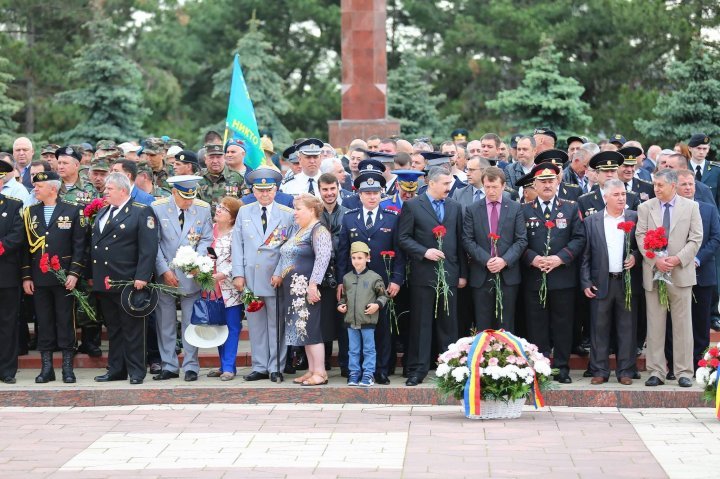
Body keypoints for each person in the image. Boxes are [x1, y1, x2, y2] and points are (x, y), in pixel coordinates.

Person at [336, 161, 406, 385]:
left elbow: (399, 252)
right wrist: (341, 281)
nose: (372, 197)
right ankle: (352, 369)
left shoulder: (392, 218)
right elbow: (343, 252)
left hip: (382, 283)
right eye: (367, 193)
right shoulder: (349, 218)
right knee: (354, 326)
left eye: (376, 192)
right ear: (359, 194)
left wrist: (396, 279)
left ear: (381, 193)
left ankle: (381, 370)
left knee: (382, 327)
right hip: (355, 283)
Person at [398, 166, 467, 386]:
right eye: (446, 184)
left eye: (450, 184)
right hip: (423, 274)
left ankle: (450, 369)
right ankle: (418, 369)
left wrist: (462, 274)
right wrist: (423, 251)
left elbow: (460, 242)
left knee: (448, 324)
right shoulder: (412, 206)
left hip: (449, 274)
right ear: (433, 183)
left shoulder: (455, 207)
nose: (449, 188)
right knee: (422, 323)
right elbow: (404, 238)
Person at [636, 169, 702, 388]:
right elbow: (640, 235)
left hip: (680, 274)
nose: (656, 189)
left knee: (683, 325)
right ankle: (656, 371)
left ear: (673, 186)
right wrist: (656, 261)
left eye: (660, 185)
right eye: (655, 185)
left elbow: (695, 238)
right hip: (654, 275)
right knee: (655, 324)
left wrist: (676, 259)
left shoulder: (691, 207)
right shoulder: (646, 207)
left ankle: (684, 371)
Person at [521, 162, 586, 384]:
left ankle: (561, 367)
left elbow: (579, 239)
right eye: (542, 182)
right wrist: (533, 258)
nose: (547, 185)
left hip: (562, 277)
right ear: (535, 185)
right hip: (534, 277)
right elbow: (518, 241)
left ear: (558, 182)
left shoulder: (570, 207)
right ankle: (539, 367)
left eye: (551, 181)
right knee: (536, 325)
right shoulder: (524, 210)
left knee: (563, 325)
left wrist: (560, 258)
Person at [91, 173, 158, 385]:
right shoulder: (103, 212)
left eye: (109, 189)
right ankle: (116, 369)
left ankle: (137, 371)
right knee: (114, 328)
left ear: (123, 190)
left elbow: (148, 248)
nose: (105, 192)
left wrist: (142, 276)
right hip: (105, 280)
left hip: (128, 281)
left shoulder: (140, 211)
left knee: (133, 329)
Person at [21, 170, 87, 383]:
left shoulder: (73, 210)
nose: (35, 190)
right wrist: (26, 276)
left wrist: (74, 273)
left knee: (66, 320)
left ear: (53, 188)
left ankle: (68, 368)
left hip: (64, 277)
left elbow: (80, 245)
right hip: (39, 277)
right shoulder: (30, 212)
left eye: (39, 186)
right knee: (44, 321)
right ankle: (46, 368)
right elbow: (25, 248)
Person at [231, 167, 295, 383]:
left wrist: (280, 273)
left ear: (276, 190)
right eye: (260, 190)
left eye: (269, 190)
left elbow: (290, 249)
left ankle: (276, 366)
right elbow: (237, 246)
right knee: (256, 325)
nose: (264, 194)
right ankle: (259, 366)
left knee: (277, 325)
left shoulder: (287, 214)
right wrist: (237, 274)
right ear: (253, 191)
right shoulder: (244, 212)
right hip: (250, 277)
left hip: (276, 278)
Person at [152, 175, 213, 382]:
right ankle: (168, 364)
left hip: (191, 275)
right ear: (174, 192)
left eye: (192, 198)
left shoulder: (202, 209)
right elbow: (155, 243)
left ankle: (191, 366)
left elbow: (206, 238)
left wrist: (199, 261)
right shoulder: (158, 208)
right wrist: (163, 270)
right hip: (166, 274)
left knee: (190, 322)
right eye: (185, 198)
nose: (189, 202)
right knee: (165, 322)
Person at [581, 179, 641, 385]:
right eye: (616, 195)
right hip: (601, 282)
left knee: (627, 328)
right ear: (605, 197)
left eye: (623, 194)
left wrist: (635, 255)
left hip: (626, 283)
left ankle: (625, 371)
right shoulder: (592, 221)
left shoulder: (635, 217)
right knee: (599, 328)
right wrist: (586, 281)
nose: (621, 198)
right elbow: (585, 255)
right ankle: (599, 370)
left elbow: (642, 246)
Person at [462, 166, 527, 332]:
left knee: (506, 323)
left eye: (495, 187)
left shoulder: (515, 208)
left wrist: (504, 260)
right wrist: (487, 260)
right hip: (482, 275)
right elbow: (467, 240)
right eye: (487, 187)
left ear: (504, 186)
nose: (491, 191)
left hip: (507, 275)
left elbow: (521, 240)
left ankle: (507, 357)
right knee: (483, 323)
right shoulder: (473, 209)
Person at [277, 193, 332, 386]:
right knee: (304, 331)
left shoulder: (319, 230)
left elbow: (323, 257)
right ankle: (312, 370)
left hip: (307, 289)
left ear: (311, 210)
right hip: (294, 290)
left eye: (298, 208)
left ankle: (320, 372)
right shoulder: (299, 230)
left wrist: (313, 284)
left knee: (312, 330)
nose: (295, 212)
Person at [668, 170, 720, 372]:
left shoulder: (707, 209)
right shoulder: (668, 210)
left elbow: (716, 238)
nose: (689, 188)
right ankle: (674, 363)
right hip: (676, 272)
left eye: (691, 184)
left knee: (700, 321)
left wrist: (696, 259)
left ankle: (699, 363)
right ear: (675, 187)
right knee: (676, 322)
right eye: (684, 185)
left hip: (702, 272)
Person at [338, 241, 389, 387]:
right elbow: (344, 298)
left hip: (368, 320)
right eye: (353, 258)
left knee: (369, 349)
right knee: (353, 349)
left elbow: (383, 296)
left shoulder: (374, 277)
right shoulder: (347, 278)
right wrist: (341, 305)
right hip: (351, 321)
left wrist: (376, 305)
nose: (356, 261)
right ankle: (354, 374)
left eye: (360, 258)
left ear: (368, 258)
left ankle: (368, 374)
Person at [204, 196, 244, 381]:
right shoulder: (208, 231)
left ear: (233, 217)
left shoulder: (237, 233)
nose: (218, 210)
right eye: (218, 206)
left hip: (229, 290)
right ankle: (223, 365)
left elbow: (239, 259)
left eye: (224, 209)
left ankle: (229, 367)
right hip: (209, 287)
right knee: (218, 327)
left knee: (232, 327)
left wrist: (223, 274)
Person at [0, 161, 25, 384]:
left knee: (8, 323)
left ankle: (7, 370)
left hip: (5, 274)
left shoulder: (13, 205)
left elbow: (18, 235)